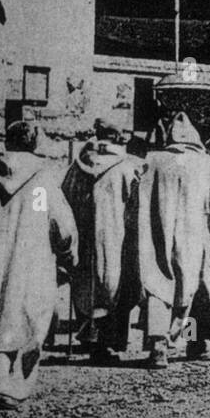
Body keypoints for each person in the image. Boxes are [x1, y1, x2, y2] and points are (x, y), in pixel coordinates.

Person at [0, 120, 78, 409]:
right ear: (34, 144)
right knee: (28, 321)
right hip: (34, 263)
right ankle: (12, 386)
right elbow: (62, 227)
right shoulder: (42, 183)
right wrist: (67, 257)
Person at [136, 112, 210, 368]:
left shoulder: (151, 161)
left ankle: (159, 346)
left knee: (159, 286)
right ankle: (194, 342)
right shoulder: (206, 164)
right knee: (198, 290)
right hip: (195, 236)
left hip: (156, 235)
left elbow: (134, 201)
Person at [61, 119, 144, 361]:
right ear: (118, 139)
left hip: (82, 238)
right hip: (115, 239)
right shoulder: (127, 168)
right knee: (115, 286)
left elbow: (64, 198)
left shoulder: (76, 167)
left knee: (85, 284)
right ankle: (108, 343)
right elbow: (135, 207)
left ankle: (90, 338)